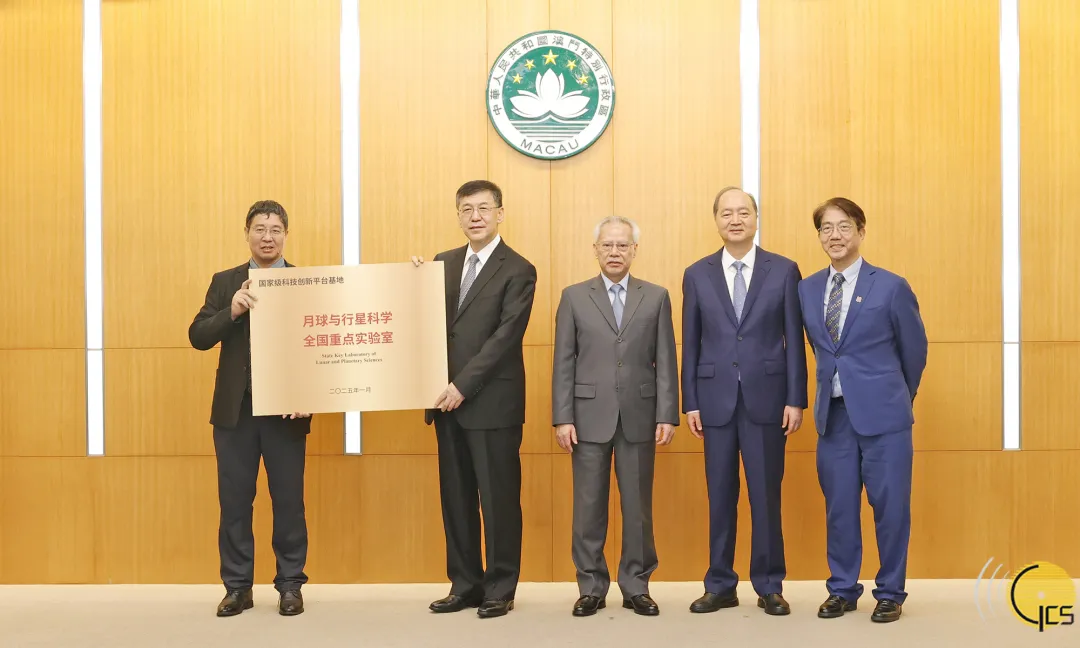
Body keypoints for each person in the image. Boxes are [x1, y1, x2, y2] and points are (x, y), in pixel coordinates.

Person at [798, 197, 927, 623]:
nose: (835, 235)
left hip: (884, 418)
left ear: (861, 231)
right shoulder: (807, 289)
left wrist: (895, 397)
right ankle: (842, 589)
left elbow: (914, 351)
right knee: (839, 507)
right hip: (833, 417)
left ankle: (890, 591)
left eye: (844, 226)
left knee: (890, 508)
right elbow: (819, 350)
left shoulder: (890, 286)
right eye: (826, 228)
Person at [411, 180, 537, 619]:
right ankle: (465, 584)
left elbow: (504, 338)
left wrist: (462, 385)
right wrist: (412, 281)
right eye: (467, 209)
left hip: (490, 404)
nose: (476, 216)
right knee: (457, 499)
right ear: (458, 216)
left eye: (484, 208)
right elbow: (423, 320)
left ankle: (500, 588)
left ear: (500, 213)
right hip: (444, 404)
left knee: (498, 501)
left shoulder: (519, 268)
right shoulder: (441, 263)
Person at [681, 186, 807, 616]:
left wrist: (796, 398)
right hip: (714, 401)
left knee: (765, 496)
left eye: (743, 212)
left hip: (768, 400)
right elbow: (691, 343)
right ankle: (720, 584)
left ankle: (769, 584)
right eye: (726, 213)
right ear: (716, 220)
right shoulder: (696, 273)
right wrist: (690, 401)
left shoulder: (784, 270)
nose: (735, 220)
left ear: (755, 218)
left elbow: (795, 340)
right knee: (720, 495)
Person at [188, 200, 312, 617]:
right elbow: (198, 336)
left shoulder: (305, 283)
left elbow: (319, 349)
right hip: (235, 413)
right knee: (235, 503)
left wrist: (308, 394)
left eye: (275, 229)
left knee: (289, 502)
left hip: (286, 413)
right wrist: (233, 310)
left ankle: (290, 585)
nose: (267, 237)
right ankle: (237, 587)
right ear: (247, 234)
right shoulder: (226, 282)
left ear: (286, 235)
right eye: (260, 229)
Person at [552, 216, 679, 618]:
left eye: (622, 245)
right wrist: (562, 417)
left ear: (634, 250)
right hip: (587, 417)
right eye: (607, 245)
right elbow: (563, 362)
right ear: (595, 250)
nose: (614, 252)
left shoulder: (656, 297)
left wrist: (667, 414)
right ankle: (591, 586)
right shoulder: (574, 297)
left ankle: (636, 586)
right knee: (588, 506)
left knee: (638, 507)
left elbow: (666, 359)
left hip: (640, 415)